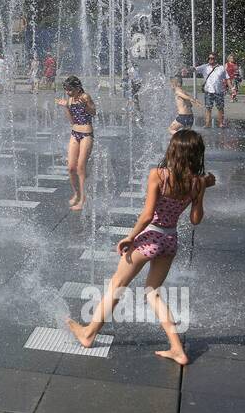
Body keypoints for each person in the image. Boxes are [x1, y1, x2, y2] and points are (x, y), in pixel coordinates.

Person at [66, 129, 215, 366]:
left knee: (117, 284)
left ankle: (89, 333)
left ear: (173, 150)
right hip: (170, 240)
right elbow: (195, 220)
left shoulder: (158, 175)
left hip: (151, 236)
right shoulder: (197, 182)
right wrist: (202, 190)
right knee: (152, 292)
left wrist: (130, 238)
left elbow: (147, 215)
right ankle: (177, 348)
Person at [55, 75, 95, 211]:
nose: (68, 92)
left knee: (80, 167)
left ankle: (83, 199)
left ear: (78, 88)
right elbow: (72, 121)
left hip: (86, 134)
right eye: (66, 90)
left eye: (70, 90)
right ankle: (77, 194)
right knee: (71, 168)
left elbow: (93, 112)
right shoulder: (70, 99)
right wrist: (66, 107)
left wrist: (85, 104)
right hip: (75, 133)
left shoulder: (85, 97)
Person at [193, 52, 229, 128]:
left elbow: (227, 78)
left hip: (219, 91)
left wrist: (232, 88)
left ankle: (221, 123)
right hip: (208, 91)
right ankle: (207, 124)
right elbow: (195, 69)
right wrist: (187, 69)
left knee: (220, 108)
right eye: (209, 58)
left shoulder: (221, 68)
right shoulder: (205, 67)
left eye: (212, 58)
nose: (210, 60)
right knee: (208, 108)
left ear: (216, 59)